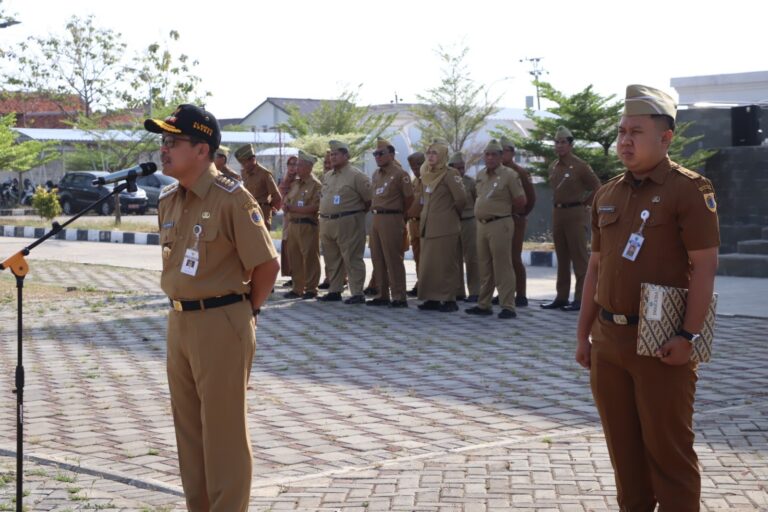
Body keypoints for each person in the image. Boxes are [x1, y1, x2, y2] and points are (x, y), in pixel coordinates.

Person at [575, 84, 720, 512]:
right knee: (626, 459)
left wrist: (688, 336)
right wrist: (584, 336)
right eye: (621, 132)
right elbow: (595, 270)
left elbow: (705, 267)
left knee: (669, 455)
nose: (625, 141)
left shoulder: (689, 190)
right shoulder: (608, 193)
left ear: (666, 137)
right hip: (609, 343)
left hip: (661, 343)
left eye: (635, 131)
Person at [146, 104, 279, 511]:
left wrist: (242, 313)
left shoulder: (232, 198)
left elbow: (267, 265)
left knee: (223, 435)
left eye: (173, 141)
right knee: (189, 434)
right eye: (163, 141)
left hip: (222, 321)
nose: (164, 149)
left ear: (202, 149)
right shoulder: (169, 199)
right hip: (180, 321)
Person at [541, 125, 601, 312]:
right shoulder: (553, 166)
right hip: (558, 213)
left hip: (576, 213)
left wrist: (585, 203)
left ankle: (581, 298)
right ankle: (561, 296)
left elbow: (597, 187)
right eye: (556, 142)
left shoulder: (580, 166)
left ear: (570, 145)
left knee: (579, 257)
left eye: (563, 143)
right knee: (562, 257)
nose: (559, 146)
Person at [465, 140, 526, 319]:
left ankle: (508, 305)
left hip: (500, 223)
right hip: (482, 225)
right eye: (487, 154)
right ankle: (484, 304)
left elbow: (520, 201)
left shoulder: (509, 175)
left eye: (494, 154)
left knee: (502, 265)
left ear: (500, 157)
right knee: (485, 265)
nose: (490, 158)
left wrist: (504, 214)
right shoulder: (481, 174)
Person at [317, 140, 372, 304]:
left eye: (336, 154)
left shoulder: (356, 176)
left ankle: (357, 293)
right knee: (331, 258)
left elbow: (369, 200)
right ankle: (335, 290)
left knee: (352, 258)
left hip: (348, 222)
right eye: (331, 154)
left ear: (346, 156)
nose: (333, 158)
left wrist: (354, 214)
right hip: (327, 222)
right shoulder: (327, 176)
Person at [417, 139, 466, 313]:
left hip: (446, 226)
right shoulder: (426, 172)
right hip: (428, 225)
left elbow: (461, 199)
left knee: (446, 264)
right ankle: (432, 298)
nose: (430, 156)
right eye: (429, 153)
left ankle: (449, 299)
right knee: (429, 264)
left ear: (443, 155)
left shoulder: (450, 173)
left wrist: (450, 215)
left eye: (435, 153)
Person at [367, 137, 414, 307]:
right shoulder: (376, 174)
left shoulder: (400, 174)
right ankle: (382, 294)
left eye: (381, 153)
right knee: (377, 258)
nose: (377, 157)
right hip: (377, 217)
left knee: (393, 258)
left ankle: (399, 296)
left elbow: (409, 198)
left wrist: (400, 214)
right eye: (375, 154)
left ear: (392, 155)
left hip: (392, 217)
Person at [499, 136, 536, 307]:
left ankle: (520, 294)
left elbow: (531, 197)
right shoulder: (495, 172)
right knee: (500, 258)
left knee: (514, 257)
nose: (502, 155)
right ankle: (504, 293)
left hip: (515, 219)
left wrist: (521, 215)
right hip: (499, 221)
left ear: (512, 153)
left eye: (505, 151)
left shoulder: (520, 172)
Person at [283, 151, 321, 299]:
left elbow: (316, 207)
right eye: (296, 165)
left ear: (309, 167)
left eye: (299, 165)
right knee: (295, 257)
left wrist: (294, 209)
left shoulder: (315, 185)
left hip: (307, 225)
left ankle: (311, 289)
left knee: (310, 257)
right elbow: (287, 201)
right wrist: (287, 207)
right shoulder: (295, 184)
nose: (296, 168)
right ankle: (297, 288)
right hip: (293, 225)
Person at [448, 151, 479, 302]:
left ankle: (475, 291)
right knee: (454, 259)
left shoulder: (470, 182)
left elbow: (477, 200)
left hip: (469, 221)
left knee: (472, 257)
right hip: (453, 222)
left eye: (463, 167)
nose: (461, 171)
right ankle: (458, 291)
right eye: (458, 168)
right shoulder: (446, 181)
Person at [235, 144, 282, 230]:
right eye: (241, 163)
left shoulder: (265, 174)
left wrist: (267, 206)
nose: (243, 166)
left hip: (262, 213)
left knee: (262, 241)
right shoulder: (244, 173)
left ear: (253, 159)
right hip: (247, 212)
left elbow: (277, 197)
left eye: (245, 163)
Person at [406, 152, 425, 297]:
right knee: (417, 256)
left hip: (425, 223)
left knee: (427, 256)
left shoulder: (429, 180)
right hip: (413, 223)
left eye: (418, 164)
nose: (415, 168)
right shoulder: (414, 181)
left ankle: (427, 285)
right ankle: (420, 283)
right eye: (413, 166)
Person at [278, 155, 299, 286]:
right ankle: (293, 275)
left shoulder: (301, 180)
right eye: (290, 164)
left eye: (295, 164)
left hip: (298, 217)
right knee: (288, 247)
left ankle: (300, 277)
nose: (292, 167)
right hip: (287, 218)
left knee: (297, 247)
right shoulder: (285, 180)